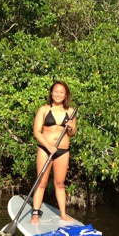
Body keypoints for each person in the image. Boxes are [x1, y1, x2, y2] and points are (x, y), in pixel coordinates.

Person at [30, 81, 77, 224]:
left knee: (60, 183)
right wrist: (48, 145)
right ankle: (35, 214)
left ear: (65, 95)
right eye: (56, 91)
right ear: (51, 93)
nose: (58, 94)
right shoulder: (43, 109)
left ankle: (63, 213)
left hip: (63, 151)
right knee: (42, 181)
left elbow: (73, 133)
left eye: (61, 92)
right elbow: (37, 132)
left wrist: (70, 128)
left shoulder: (71, 111)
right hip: (45, 149)